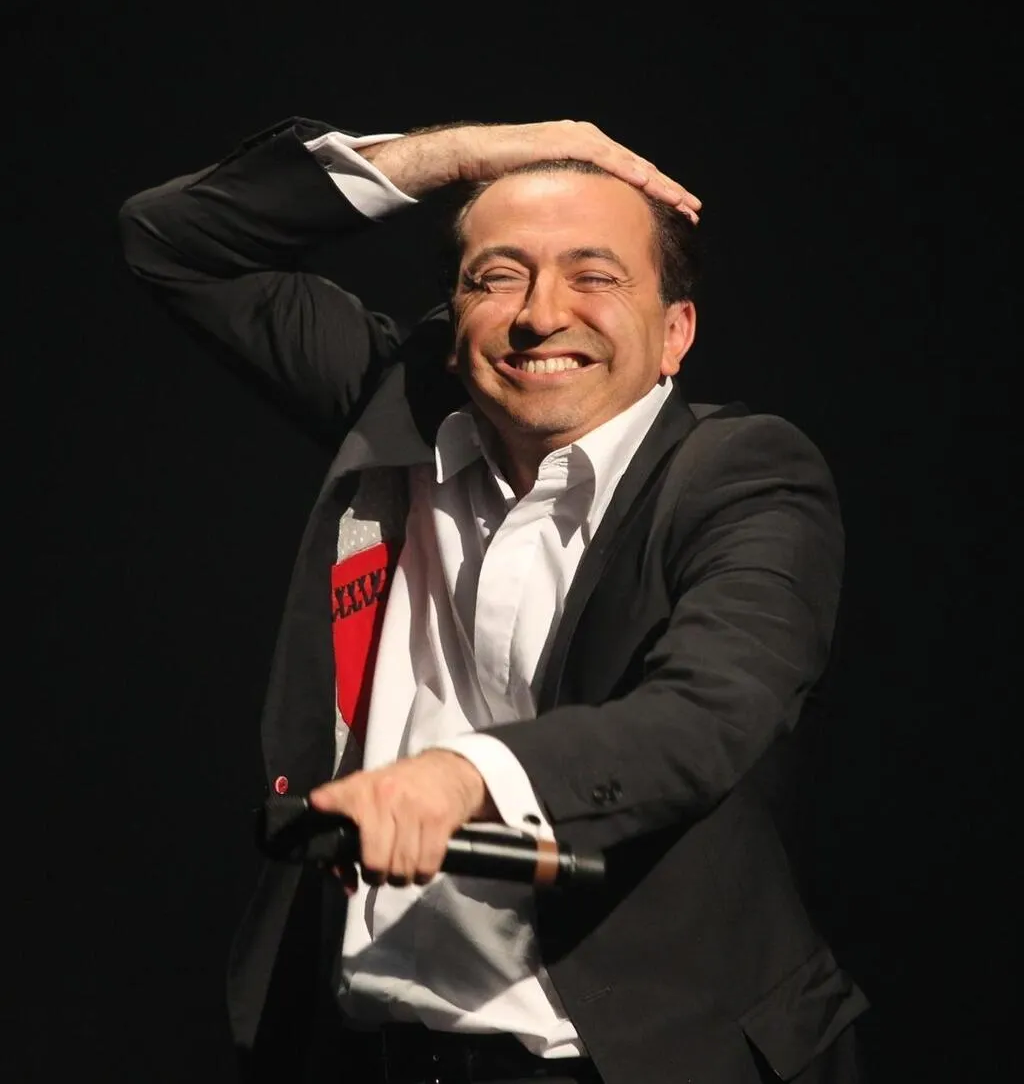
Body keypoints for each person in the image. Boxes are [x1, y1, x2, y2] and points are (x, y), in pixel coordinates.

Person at [119, 117, 869, 1084]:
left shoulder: (745, 475)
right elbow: (170, 237)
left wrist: (463, 776)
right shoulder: (403, 412)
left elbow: (706, 714)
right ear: (455, 314)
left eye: (595, 276)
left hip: (640, 1059)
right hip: (371, 1054)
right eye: (498, 276)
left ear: (675, 332)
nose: (541, 315)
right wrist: (464, 155)